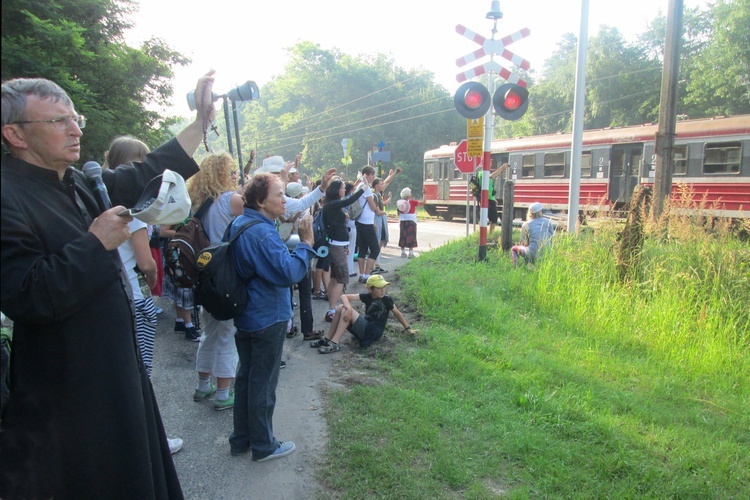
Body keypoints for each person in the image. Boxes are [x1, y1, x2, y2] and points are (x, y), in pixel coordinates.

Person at [0, 70, 216, 498]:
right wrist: (95, 243)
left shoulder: (78, 181)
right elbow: (27, 295)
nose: (76, 129)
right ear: (15, 134)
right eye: (58, 121)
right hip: (66, 389)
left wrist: (199, 123)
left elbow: (146, 172)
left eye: (74, 117)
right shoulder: (8, 197)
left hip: (114, 369)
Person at [228, 172, 318, 461]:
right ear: (260, 201)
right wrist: (305, 243)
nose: (284, 199)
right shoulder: (263, 232)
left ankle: (240, 439)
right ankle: (264, 446)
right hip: (267, 316)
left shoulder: (241, 223)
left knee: (245, 379)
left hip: (246, 314)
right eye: (279, 195)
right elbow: (289, 273)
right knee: (263, 384)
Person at [187, 153, 244, 411]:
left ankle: (203, 386)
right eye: (231, 172)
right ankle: (223, 394)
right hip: (225, 275)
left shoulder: (198, 202)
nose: (235, 176)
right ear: (222, 174)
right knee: (227, 334)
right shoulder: (229, 200)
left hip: (203, 275)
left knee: (209, 331)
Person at [311, 274, 415, 353]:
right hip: (366, 326)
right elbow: (344, 296)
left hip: (374, 331)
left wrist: (408, 328)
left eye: (384, 287)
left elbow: (397, 313)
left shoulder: (387, 299)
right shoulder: (367, 296)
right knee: (340, 308)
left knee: (345, 310)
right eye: (379, 288)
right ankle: (327, 339)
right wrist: (348, 308)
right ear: (370, 289)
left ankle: (335, 343)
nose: (383, 290)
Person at [321, 178, 366, 322]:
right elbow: (350, 199)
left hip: (339, 244)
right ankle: (332, 310)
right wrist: (364, 188)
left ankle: (332, 308)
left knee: (335, 278)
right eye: (342, 188)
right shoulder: (333, 204)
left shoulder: (332, 204)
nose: (344, 190)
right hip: (337, 244)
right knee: (341, 278)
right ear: (336, 190)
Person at [355, 166, 386, 283]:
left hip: (361, 221)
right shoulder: (366, 188)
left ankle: (362, 274)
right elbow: (373, 207)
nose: (373, 176)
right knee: (374, 249)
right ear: (365, 175)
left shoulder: (359, 186)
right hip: (366, 223)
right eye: (371, 174)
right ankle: (367, 275)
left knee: (362, 249)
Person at [511, 202, 556, 267]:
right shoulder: (547, 221)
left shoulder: (526, 224)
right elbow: (552, 239)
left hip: (532, 253)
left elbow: (524, 243)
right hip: (547, 253)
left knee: (514, 249)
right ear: (540, 212)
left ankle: (515, 268)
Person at [475, 163, 509, 236]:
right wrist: (502, 168)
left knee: (491, 218)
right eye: (489, 162)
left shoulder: (485, 173)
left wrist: (494, 199)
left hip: (490, 199)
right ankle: (489, 235)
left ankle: (486, 234)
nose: (490, 164)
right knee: (493, 218)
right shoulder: (482, 173)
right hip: (486, 199)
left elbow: (489, 188)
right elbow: (492, 176)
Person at [397, 187, 425, 258]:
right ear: (408, 195)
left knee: (403, 236)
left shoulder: (400, 203)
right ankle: (411, 253)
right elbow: (423, 203)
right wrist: (424, 194)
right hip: (411, 221)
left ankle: (403, 252)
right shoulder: (412, 202)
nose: (411, 194)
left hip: (403, 221)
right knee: (411, 236)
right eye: (410, 193)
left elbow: (398, 213)